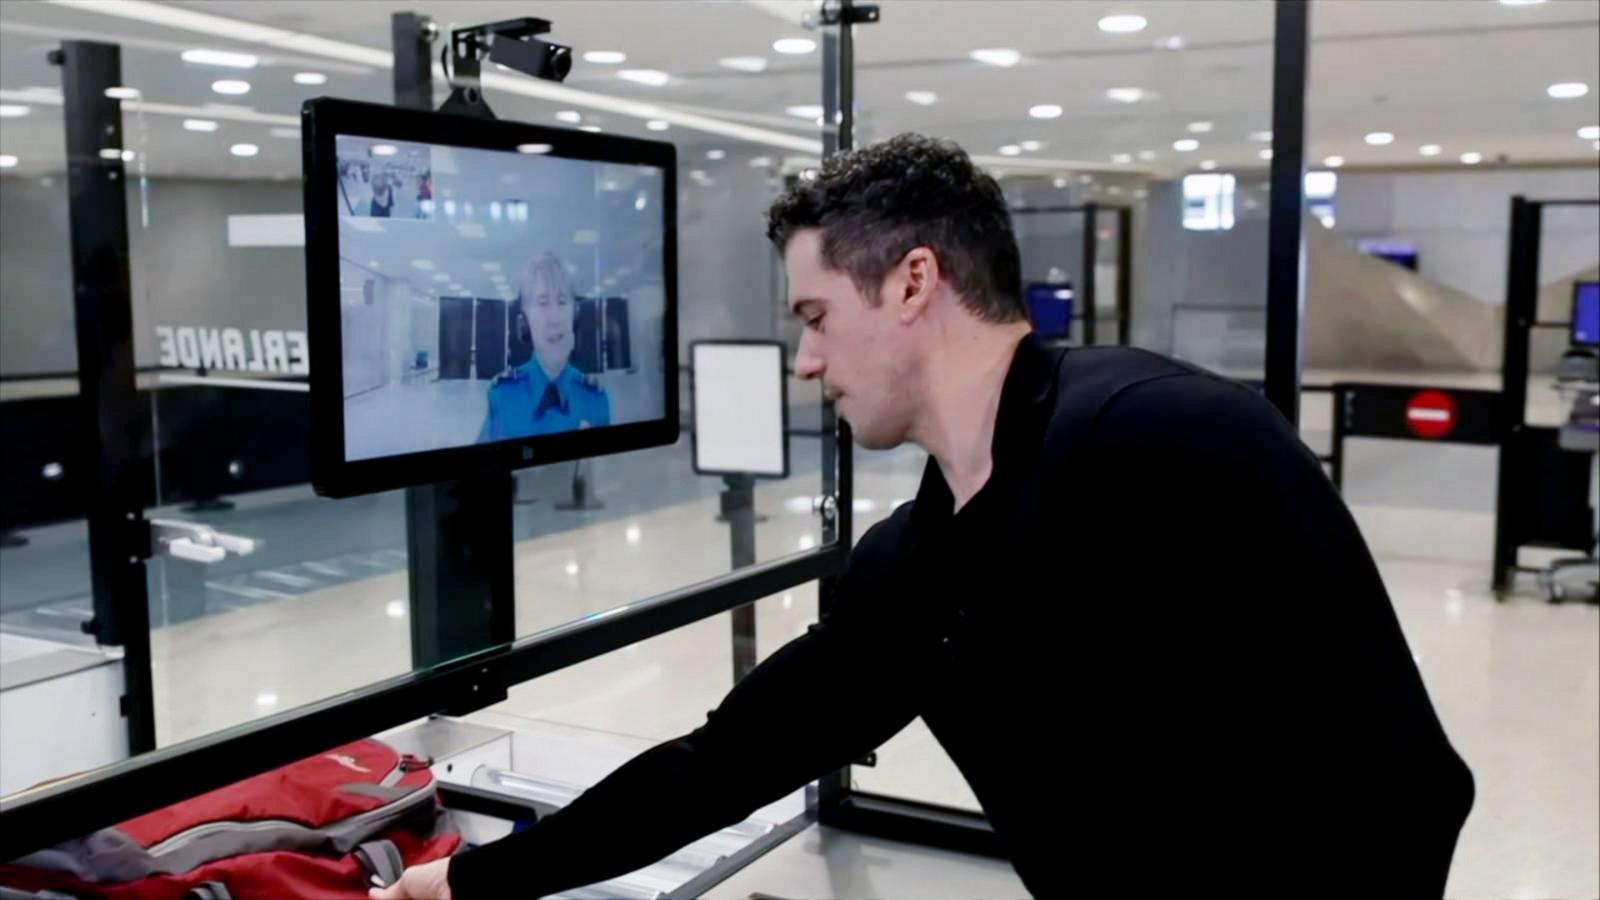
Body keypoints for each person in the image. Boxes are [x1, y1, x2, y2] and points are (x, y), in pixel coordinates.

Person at [376, 134, 1474, 900]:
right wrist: (473, 879)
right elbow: (728, 761)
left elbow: (1405, 789)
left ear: (911, 283)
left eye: (814, 316)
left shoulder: (1170, 437)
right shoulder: (916, 564)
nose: (804, 362)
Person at [477, 251, 609, 442]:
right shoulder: (502, 398)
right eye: (543, 303)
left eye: (562, 302)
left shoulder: (596, 399)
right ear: (524, 323)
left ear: (575, 317)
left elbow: (603, 470)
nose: (555, 318)